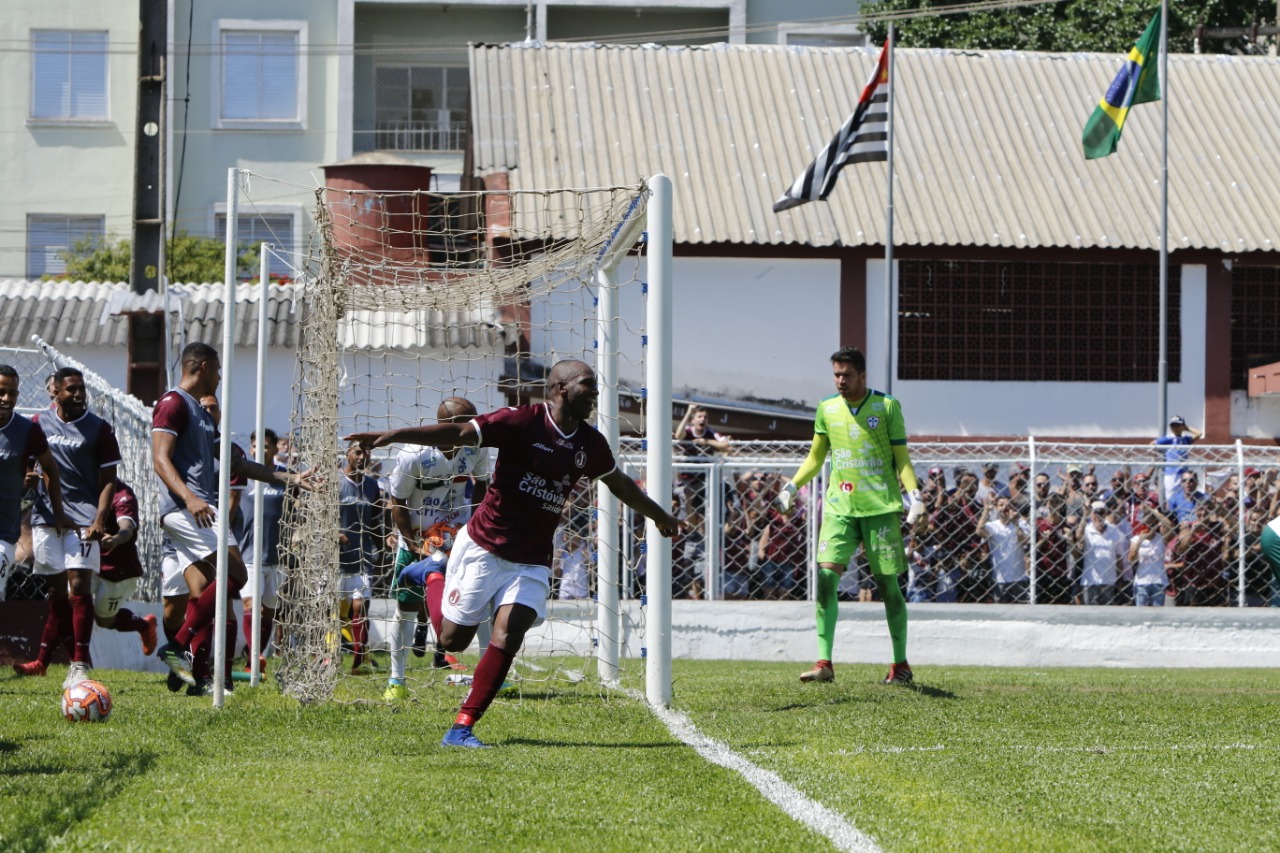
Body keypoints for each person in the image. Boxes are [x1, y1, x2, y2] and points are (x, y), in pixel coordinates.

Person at [346, 359, 682, 748]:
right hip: (484, 545)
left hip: (532, 558)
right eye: (587, 385)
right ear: (560, 388)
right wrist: (392, 434)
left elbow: (619, 483)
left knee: (508, 636)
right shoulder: (520, 421)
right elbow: (456, 430)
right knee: (452, 641)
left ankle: (461, 728)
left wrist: (660, 516)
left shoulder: (590, 443)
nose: (595, 393)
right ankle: (430, 574)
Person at [152, 342, 315, 696]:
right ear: (203, 366)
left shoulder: (198, 411)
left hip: (198, 509)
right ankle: (178, 646)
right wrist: (190, 497)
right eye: (218, 369)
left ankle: (193, 665)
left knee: (216, 589)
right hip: (188, 510)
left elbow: (237, 464)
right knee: (236, 575)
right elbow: (160, 459)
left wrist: (289, 478)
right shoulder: (173, 402)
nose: (221, 377)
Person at [775, 347, 925, 686]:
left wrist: (915, 497)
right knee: (826, 579)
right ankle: (824, 663)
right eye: (836, 375)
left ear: (862, 376)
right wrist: (790, 487)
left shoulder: (886, 406)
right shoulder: (827, 408)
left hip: (880, 509)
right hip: (839, 508)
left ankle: (900, 665)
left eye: (847, 375)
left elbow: (902, 458)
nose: (840, 380)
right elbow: (815, 457)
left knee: (888, 587)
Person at [382, 397, 489, 699]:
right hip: (416, 539)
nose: (474, 427)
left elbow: (481, 485)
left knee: (479, 603)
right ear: (448, 427)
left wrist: (474, 524)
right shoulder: (412, 455)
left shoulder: (476, 447)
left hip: (459, 536)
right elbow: (398, 503)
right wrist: (415, 545)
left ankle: (489, 677)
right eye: (468, 422)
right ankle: (396, 681)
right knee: (405, 609)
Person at [19, 368, 111, 688]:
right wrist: (26, 479)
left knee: (79, 583)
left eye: (81, 388)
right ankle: (55, 660)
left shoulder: (99, 429)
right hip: (46, 517)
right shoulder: (36, 423)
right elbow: (26, 465)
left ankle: (80, 664)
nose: (78, 393)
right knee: (57, 591)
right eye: (71, 389)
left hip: (84, 519)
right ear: (55, 392)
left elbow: (108, 479)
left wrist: (100, 518)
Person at [5, 366, 72, 675]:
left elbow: (50, 468)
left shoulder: (27, 431)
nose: (7, 398)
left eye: (13, 392)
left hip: (4, 532)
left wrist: (57, 511)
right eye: (1, 392)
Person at [237, 428, 289, 672]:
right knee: (251, 605)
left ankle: (252, 661)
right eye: (257, 446)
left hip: (276, 556)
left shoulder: (284, 477)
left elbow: (297, 506)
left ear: (275, 449)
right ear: (251, 448)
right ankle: (255, 656)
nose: (262, 450)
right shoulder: (241, 475)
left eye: (267, 446)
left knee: (269, 612)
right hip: (248, 553)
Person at [337, 439, 382, 677]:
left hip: (363, 556)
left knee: (360, 607)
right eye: (358, 451)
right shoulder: (334, 483)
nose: (362, 456)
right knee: (331, 611)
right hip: (335, 559)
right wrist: (333, 532)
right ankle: (325, 657)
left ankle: (359, 660)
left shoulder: (373, 486)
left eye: (366, 452)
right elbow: (319, 517)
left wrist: (384, 545)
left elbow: (376, 521)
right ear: (347, 454)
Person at [673, 403, 730, 511]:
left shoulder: (710, 432)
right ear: (693, 420)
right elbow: (678, 435)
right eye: (699, 417)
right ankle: (689, 525)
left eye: (705, 417)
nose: (702, 419)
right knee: (687, 503)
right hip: (686, 476)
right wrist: (689, 412)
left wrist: (706, 441)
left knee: (707, 505)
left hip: (705, 477)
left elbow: (726, 445)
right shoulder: (689, 430)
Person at [977, 495, 1031, 603]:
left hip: (1019, 577)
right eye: (1001, 505)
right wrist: (986, 510)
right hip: (1000, 579)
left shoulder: (1022, 524)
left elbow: (1024, 541)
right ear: (997, 508)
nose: (1005, 508)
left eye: (1007, 505)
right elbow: (979, 531)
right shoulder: (993, 526)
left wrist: (1015, 523)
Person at [1074, 500, 1128, 605]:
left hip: (1109, 581)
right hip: (1091, 581)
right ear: (1091, 514)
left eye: (1101, 512)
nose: (1098, 516)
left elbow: (1119, 557)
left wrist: (1120, 578)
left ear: (1106, 513)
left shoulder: (1114, 531)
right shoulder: (1087, 529)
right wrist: (1085, 516)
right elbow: (1078, 536)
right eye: (1095, 512)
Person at [1129, 506, 1174, 606]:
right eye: (1147, 521)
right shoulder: (1136, 539)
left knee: (1157, 614)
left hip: (1158, 580)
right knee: (1141, 612)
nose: (1149, 525)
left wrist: (1153, 511)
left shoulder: (1161, 538)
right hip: (1141, 582)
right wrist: (1140, 542)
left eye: (1151, 521)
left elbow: (1169, 525)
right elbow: (1131, 559)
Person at [1153, 415, 1202, 502]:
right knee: (1171, 497)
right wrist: (1162, 452)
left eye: (1178, 425)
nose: (1175, 428)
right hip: (1171, 472)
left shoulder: (1185, 439)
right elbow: (1152, 444)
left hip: (1183, 472)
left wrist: (1186, 428)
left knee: (1184, 495)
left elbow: (1199, 434)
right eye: (1173, 425)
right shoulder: (1169, 438)